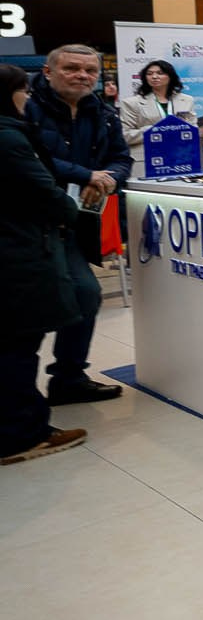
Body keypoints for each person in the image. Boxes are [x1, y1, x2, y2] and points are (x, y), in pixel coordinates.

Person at [24, 44, 128, 404]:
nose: (82, 76)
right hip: (28, 222)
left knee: (85, 293)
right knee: (31, 308)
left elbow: (120, 158)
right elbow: (28, 158)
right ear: (48, 71)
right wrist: (86, 175)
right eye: (71, 68)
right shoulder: (25, 107)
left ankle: (68, 378)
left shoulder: (103, 112)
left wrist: (109, 178)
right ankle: (19, 395)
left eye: (90, 70)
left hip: (74, 222)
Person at [0, 64, 92, 465]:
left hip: (17, 246)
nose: (27, 98)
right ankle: (21, 435)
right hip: (19, 252)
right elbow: (45, 192)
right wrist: (71, 210)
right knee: (18, 345)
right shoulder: (8, 137)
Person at [119, 59, 200, 164]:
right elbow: (124, 135)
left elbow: (193, 129)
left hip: (180, 157)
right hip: (148, 159)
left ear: (170, 76)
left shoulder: (187, 100)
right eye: (149, 74)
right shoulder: (131, 103)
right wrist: (155, 130)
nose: (154, 76)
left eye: (160, 73)